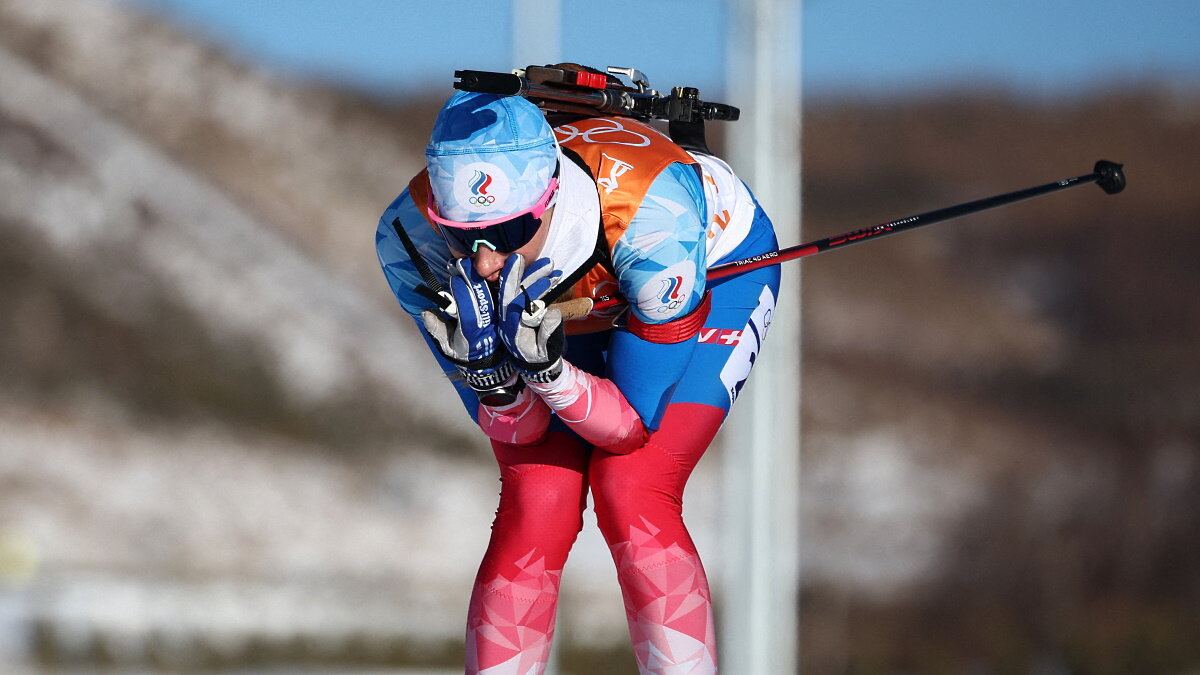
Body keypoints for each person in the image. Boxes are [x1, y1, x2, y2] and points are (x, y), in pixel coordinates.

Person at [375, 74, 780, 674]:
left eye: (511, 231)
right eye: (466, 236)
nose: (486, 262)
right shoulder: (411, 241)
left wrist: (545, 372)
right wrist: (493, 380)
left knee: (633, 487)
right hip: (586, 299)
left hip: (714, 272)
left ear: (550, 199)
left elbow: (629, 428)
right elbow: (522, 434)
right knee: (539, 496)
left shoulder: (653, 222)